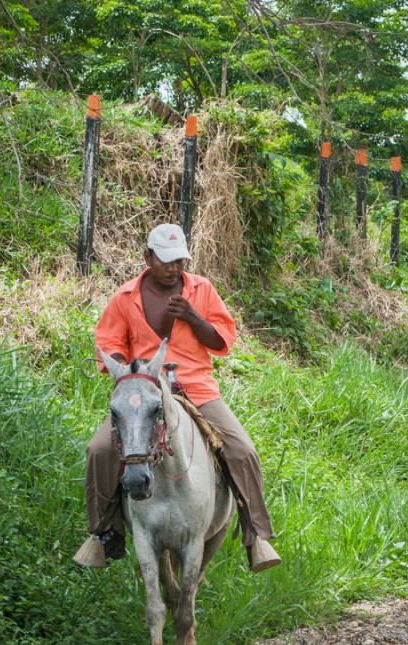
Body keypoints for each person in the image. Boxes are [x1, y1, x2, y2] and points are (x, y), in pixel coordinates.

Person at [85, 223, 280, 571]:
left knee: (242, 450)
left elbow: (222, 340)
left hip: (196, 388)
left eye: (180, 261)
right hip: (145, 391)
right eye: (165, 260)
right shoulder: (125, 297)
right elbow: (108, 345)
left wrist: (192, 316)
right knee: (99, 449)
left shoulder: (202, 290)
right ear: (148, 257)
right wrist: (126, 373)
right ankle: (104, 533)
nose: (174, 268)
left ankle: (257, 536)